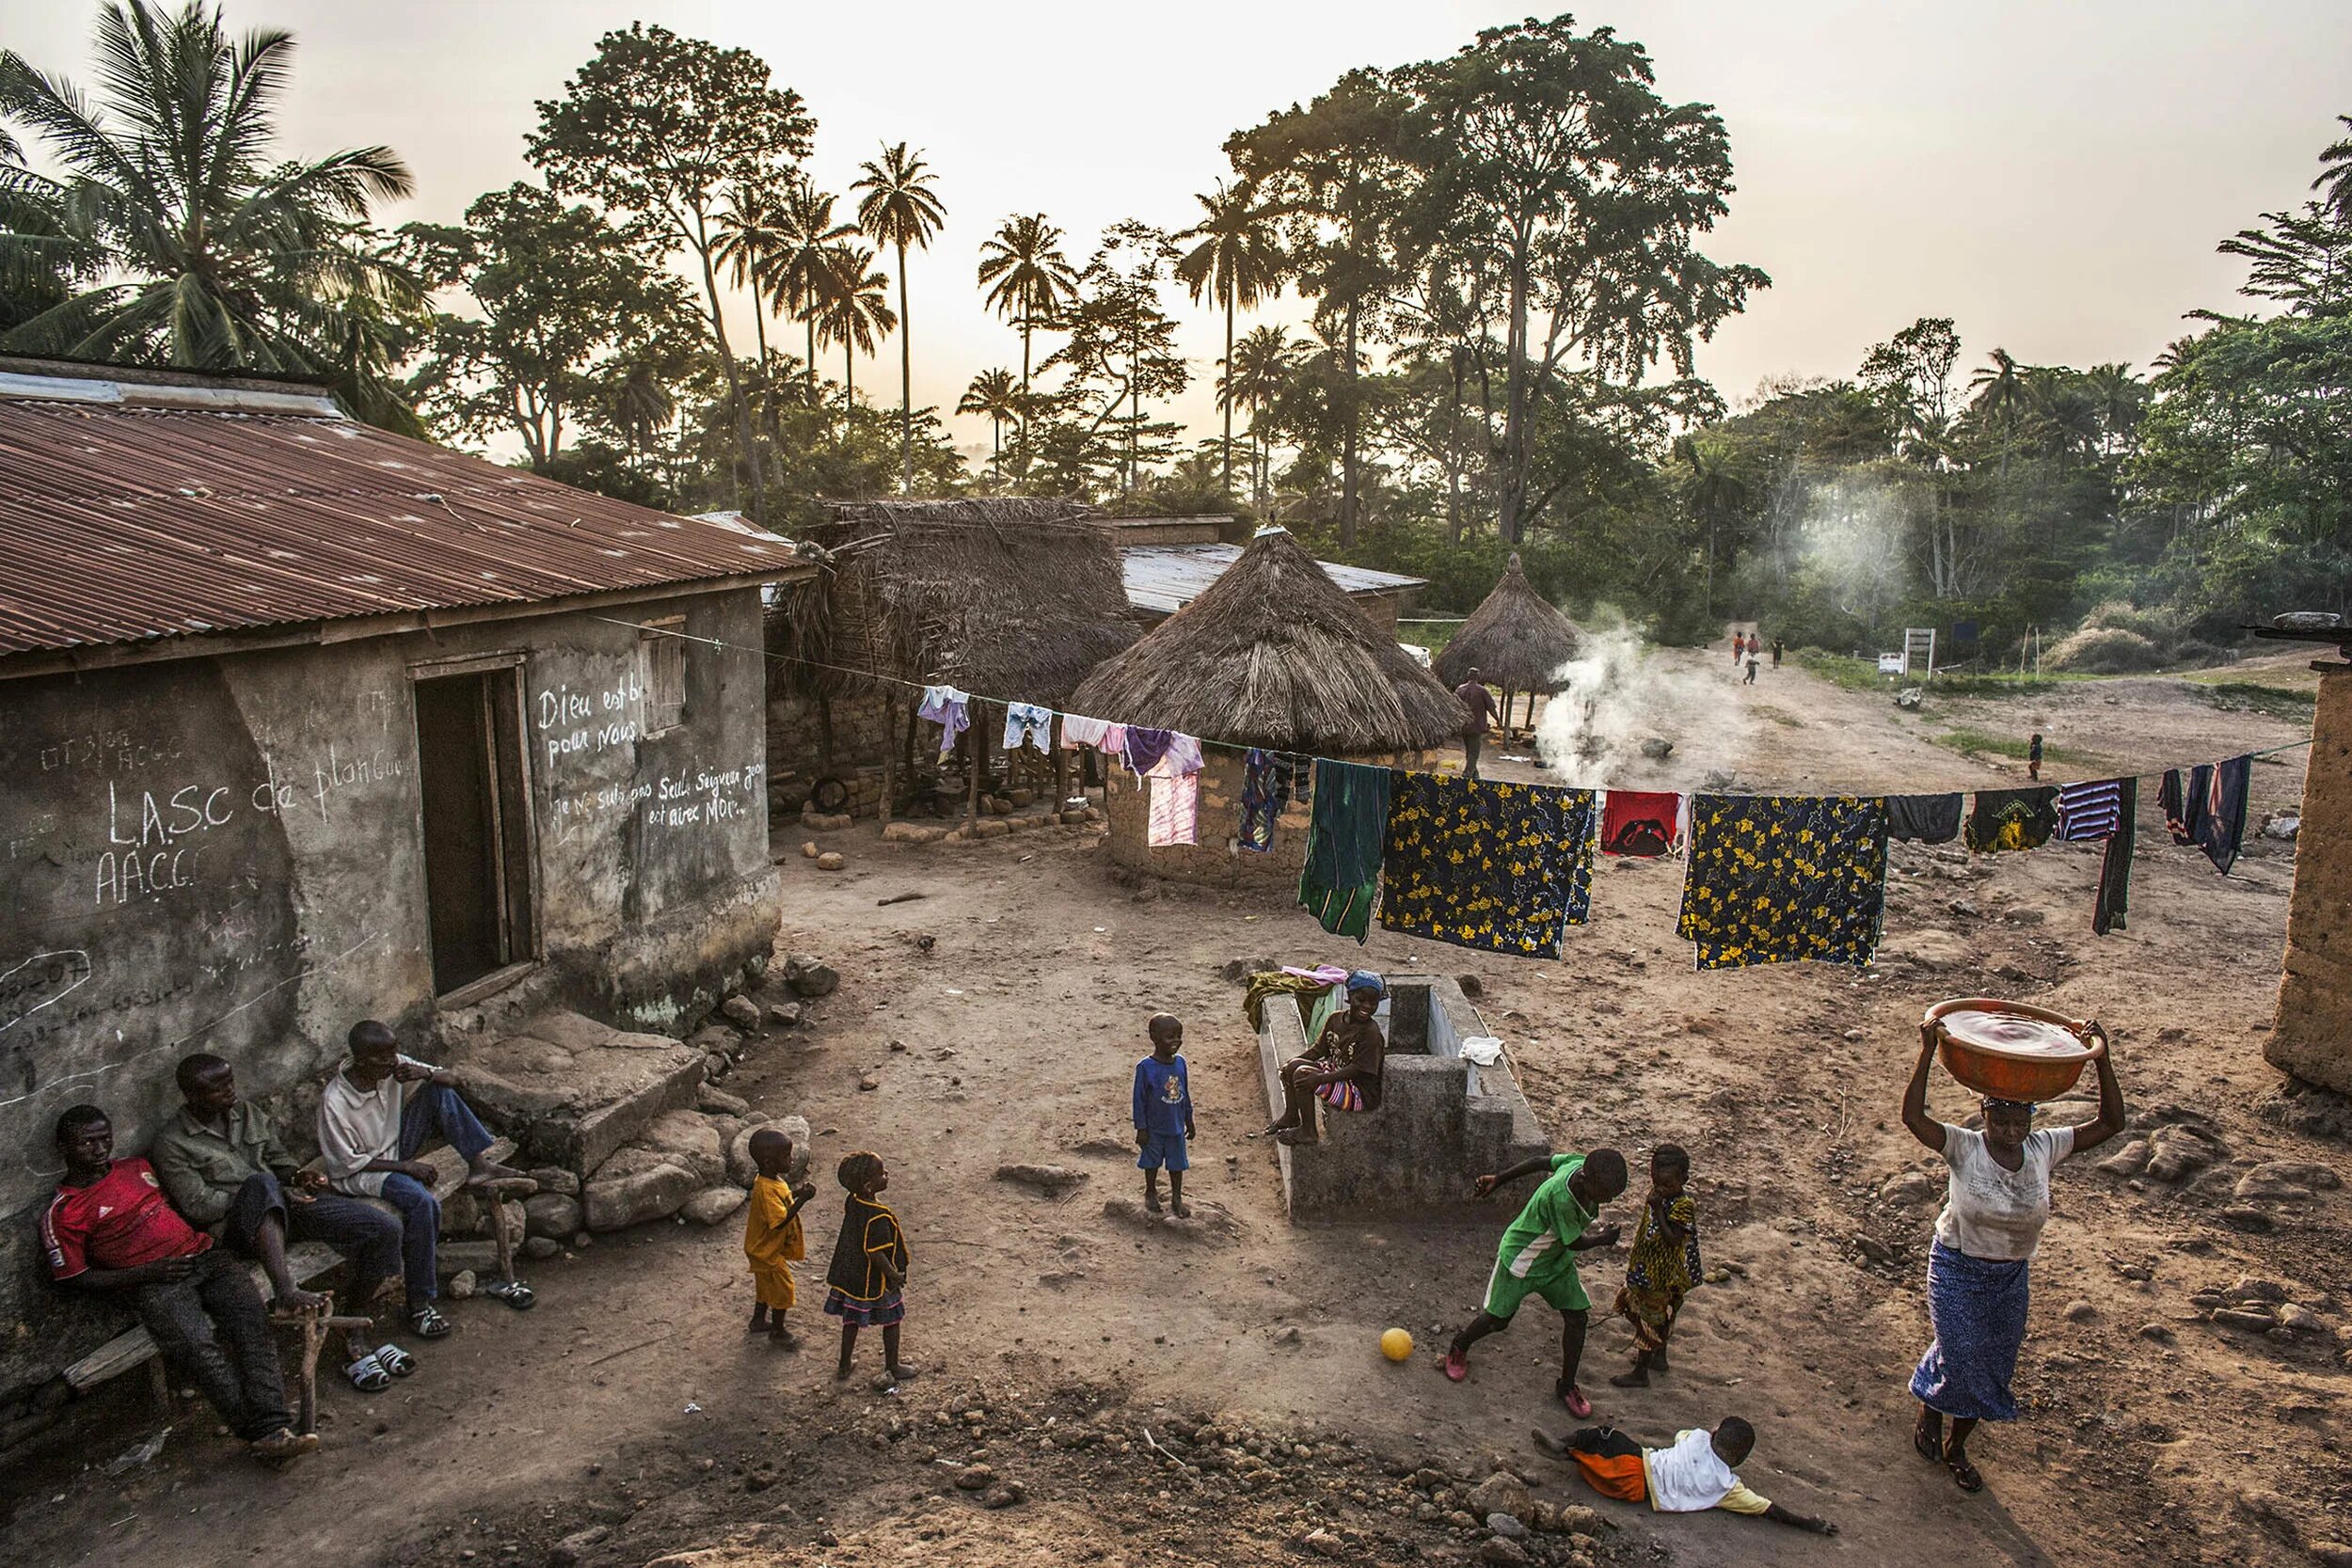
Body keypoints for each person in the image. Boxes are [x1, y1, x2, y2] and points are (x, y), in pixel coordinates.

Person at [1899, 1020, 2125, 1492]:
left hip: (2009, 1275)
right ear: (1983, 1116)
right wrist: (1926, 1052)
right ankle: (1930, 1411)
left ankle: (1955, 1443)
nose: (2009, 1131)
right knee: (1963, 1357)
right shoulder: (1965, 1148)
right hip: (1957, 1266)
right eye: (1999, 1121)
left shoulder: (2044, 1148)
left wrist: (2102, 1059)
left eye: (2018, 1123)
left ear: (2031, 1122)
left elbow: (2110, 1124)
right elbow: (1914, 1120)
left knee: (1993, 1364)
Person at [42, 1105, 316, 1465]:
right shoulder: (65, 1211)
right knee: (197, 1347)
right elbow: (77, 1278)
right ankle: (262, 1432)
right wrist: (149, 1272)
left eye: (104, 1138)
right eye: (87, 1142)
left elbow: (176, 1209)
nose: (99, 1148)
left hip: (203, 1256)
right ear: (65, 1147)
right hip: (154, 1282)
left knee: (252, 1324)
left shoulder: (134, 1168)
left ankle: (272, 1425)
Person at [151, 1053, 411, 1388]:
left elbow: (279, 1159)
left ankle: (354, 1326)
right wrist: (270, 1191)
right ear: (193, 1096)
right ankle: (286, 1291)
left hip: (286, 1208)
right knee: (260, 1185)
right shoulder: (172, 1143)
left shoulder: (246, 1113)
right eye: (218, 1088)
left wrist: (299, 1177)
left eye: (230, 1081)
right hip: (237, 1230)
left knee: (384, 1228)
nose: (229, 1090)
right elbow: (199, 1206)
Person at [317, 1020, 532, 1339]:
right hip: (364, 1172)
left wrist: (425, 1073)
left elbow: (453, 1079)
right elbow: (345, 1164)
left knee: (438, 1091)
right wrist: (406, 1168)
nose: (393, 1061)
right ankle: (419, 1303)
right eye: (383, 1057)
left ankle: (478, 1164)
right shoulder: (335, 1101)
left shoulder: (395, 1066)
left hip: (394, 1148)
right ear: (361, 1060)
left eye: (394, 1053)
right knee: (423, 1203)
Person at [1443, 1147, 1629, 1416]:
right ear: (1587, 1179)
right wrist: (1603, 1239)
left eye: (1613, 1195)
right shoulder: (1561, 1198)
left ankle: (1566, 1385)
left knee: (1577, 1318)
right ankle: (1460, 1344)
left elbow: (1539, 1161)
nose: (1608, 1200)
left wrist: (1500, 1178)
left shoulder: (1578, 1164)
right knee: (1498, 1320)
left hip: (1555, 1261)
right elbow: (1575, 1241)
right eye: (1605, 1194)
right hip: (1523, 1259)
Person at [1532, 1418, 1837, 1534]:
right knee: (1604, 1454)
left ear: (1715, 1433)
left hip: (1633, 1467)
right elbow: (1767, 1508)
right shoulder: (1728, 1487)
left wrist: (1706, 1436)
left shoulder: (1698, 1438)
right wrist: (1809, 1523)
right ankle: (1567, 1452)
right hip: (1634, 1493)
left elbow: (1681, 1435)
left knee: (1604, 1435)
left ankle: (1565, 1445)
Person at [1610, 1145, 1699, 1388]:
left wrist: (1658, 1209)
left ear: (1684, 1180)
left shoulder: (1682, 1206)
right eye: (1656, 1182)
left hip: (1661, 1275)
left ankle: (1640, 1372)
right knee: (1655, 1317)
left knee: (1649, 1320)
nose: (1660, 1189)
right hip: (1646, 1268)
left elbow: (1673, 1239)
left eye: (1668, 1185)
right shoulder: (1660, 1193)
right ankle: (1659, 1356)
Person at [1263, 971, 1387, 1147]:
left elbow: (1358, 1070)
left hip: (1360, 1092)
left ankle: (1309, 1132)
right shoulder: (1336, 1019)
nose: (1367, 1006)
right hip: (1339, 1075)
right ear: (1350, 996)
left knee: (1303, 1075)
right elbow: (1317, 1050)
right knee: (1293, 1068)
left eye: (1373, 1002)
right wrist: (1288, 1064)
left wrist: (1319, 1079)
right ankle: (1291, 1115)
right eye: (1361, 999)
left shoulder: (1370, 1033)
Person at [825, 1150, 915, 1386]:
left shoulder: (853, 1201)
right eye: (881, 1173)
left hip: (852, 1277)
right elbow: (875, 1253)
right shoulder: (878, 1217)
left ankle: (844, 1364)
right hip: (875, 1281)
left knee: (851, 1320)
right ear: (868, 1186)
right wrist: (893, 1274)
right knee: (892, 1319)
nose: (886, 1174)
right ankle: (892, 1365)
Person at [743, 1129, 816, 1348]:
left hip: (760, 1247)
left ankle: (757, 1321)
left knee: (765, 1286)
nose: (791, 1160)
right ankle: (778, 1331)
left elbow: (781, 1200)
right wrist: (802, 1200)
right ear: (769, 1163)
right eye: (786, 1156)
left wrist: (795, 1194)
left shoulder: (770, 1180)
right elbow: (780, 1221)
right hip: (766, 1251)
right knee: (784, 1288)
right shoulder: (765, 1189)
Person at [1133, 1013, 1195, 1217]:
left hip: (1176, 1127)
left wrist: (1189, 1119)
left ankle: (1177, 1197)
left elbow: (1184, 1092)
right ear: (1154, 1037)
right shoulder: (1145, 1067)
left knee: (1177, 1165)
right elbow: (1139, 1099)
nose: (1176, 1041)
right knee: (1151, 1162)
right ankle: (1151, 1191)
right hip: (1154, 1128)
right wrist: (1141, 1128)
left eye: (1179, 1036)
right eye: (1170, 1037)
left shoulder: (1180, 1063)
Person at [1454, 666, 1499, 781]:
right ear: (1478, 677)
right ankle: (1467, 775)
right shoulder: (1482, 691)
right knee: (1474, 753)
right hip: (1476, 726)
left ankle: (1475, 776)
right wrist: (1498, 720)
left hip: (1464, 726)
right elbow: (1491, 708)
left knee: (1470, 752)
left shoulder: (1460, 689)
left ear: (1468, 676)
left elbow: (1453, 707)